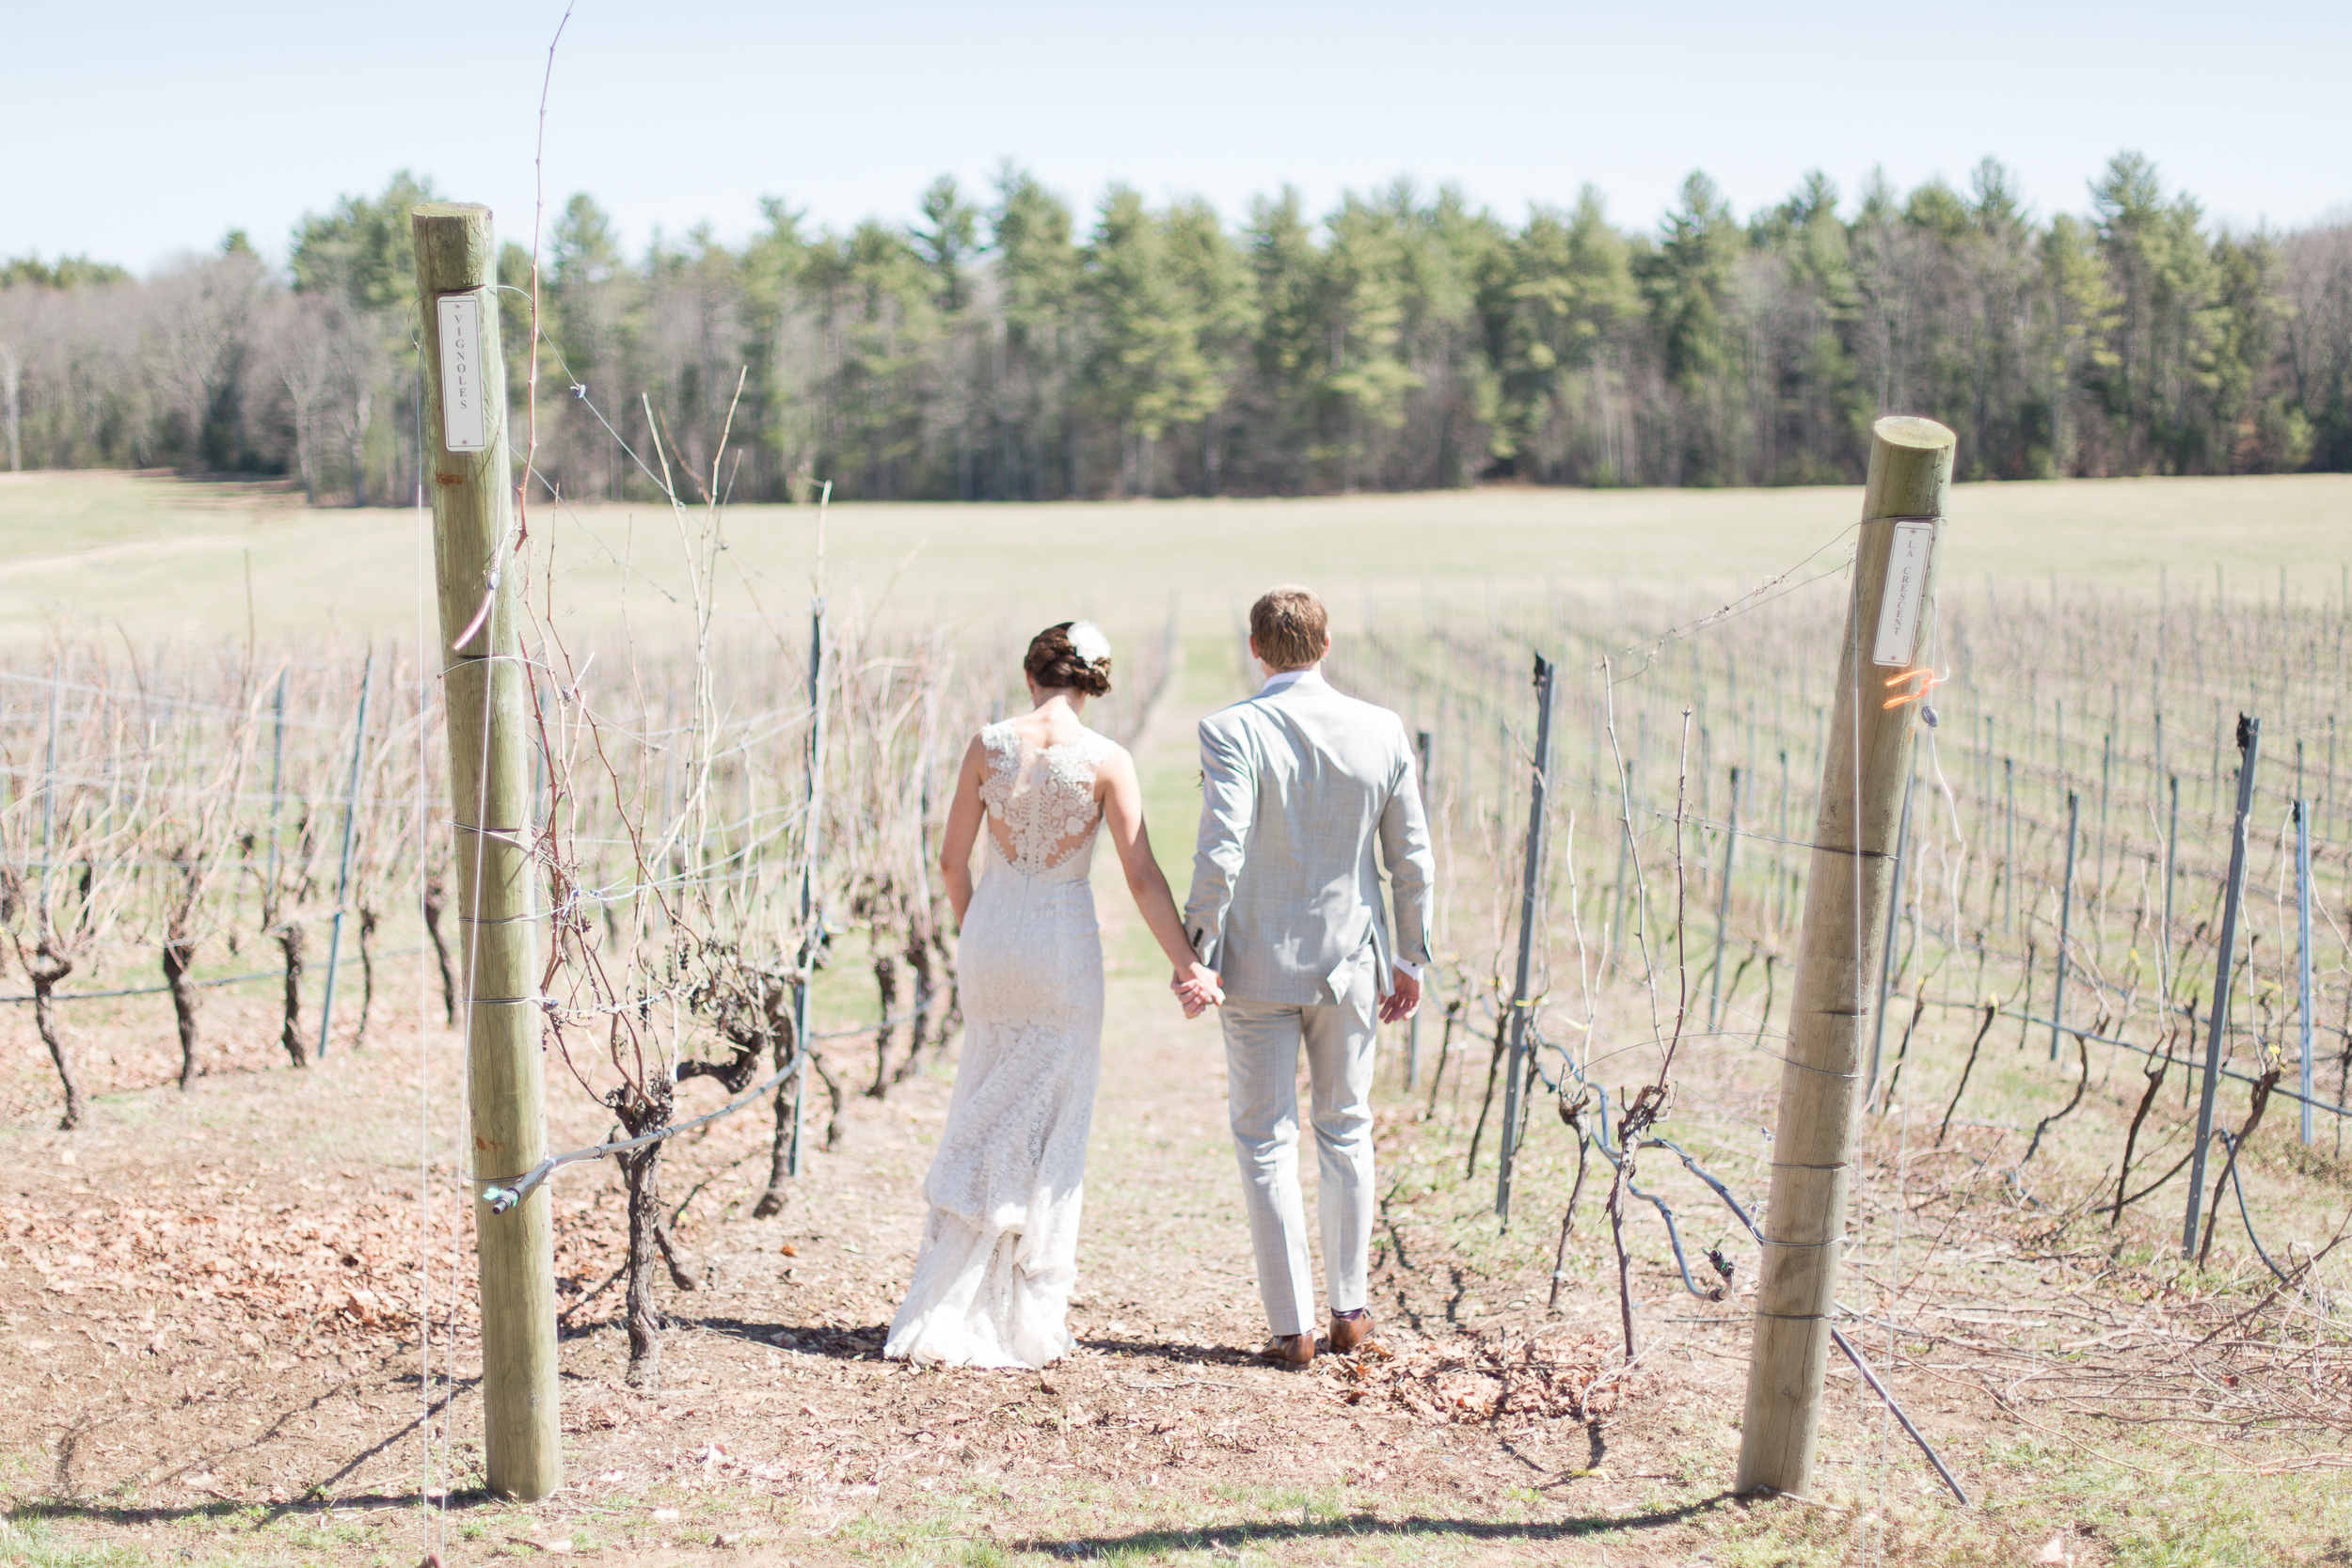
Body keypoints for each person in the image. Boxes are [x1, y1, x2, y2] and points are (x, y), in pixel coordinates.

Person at [885, 621, 1220, 1368]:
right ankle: (1017, 1312)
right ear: (1091, 683)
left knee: (984, 1095)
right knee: (1050, 1117)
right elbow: (1140, 876)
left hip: (993, 938)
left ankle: (949, 1296)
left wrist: (982, 935)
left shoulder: (988, 743)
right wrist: (1188, 964)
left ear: (1032, 674)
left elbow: (949, 861)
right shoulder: (1106, 759)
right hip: (1061, 944)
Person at [1181, 585, 1435, 1370]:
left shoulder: (1231, 729)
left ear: (1256, 649)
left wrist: (1198, 948)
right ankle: (1351, 1309)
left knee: (1264, 1139)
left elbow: (1220, 850)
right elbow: (1411, 859)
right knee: (1346, 1128)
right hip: (1352, 964)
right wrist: (1410, 954)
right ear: (1326, 647)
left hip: (1254, 965)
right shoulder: (1383, 729)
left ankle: (1289, 1326)